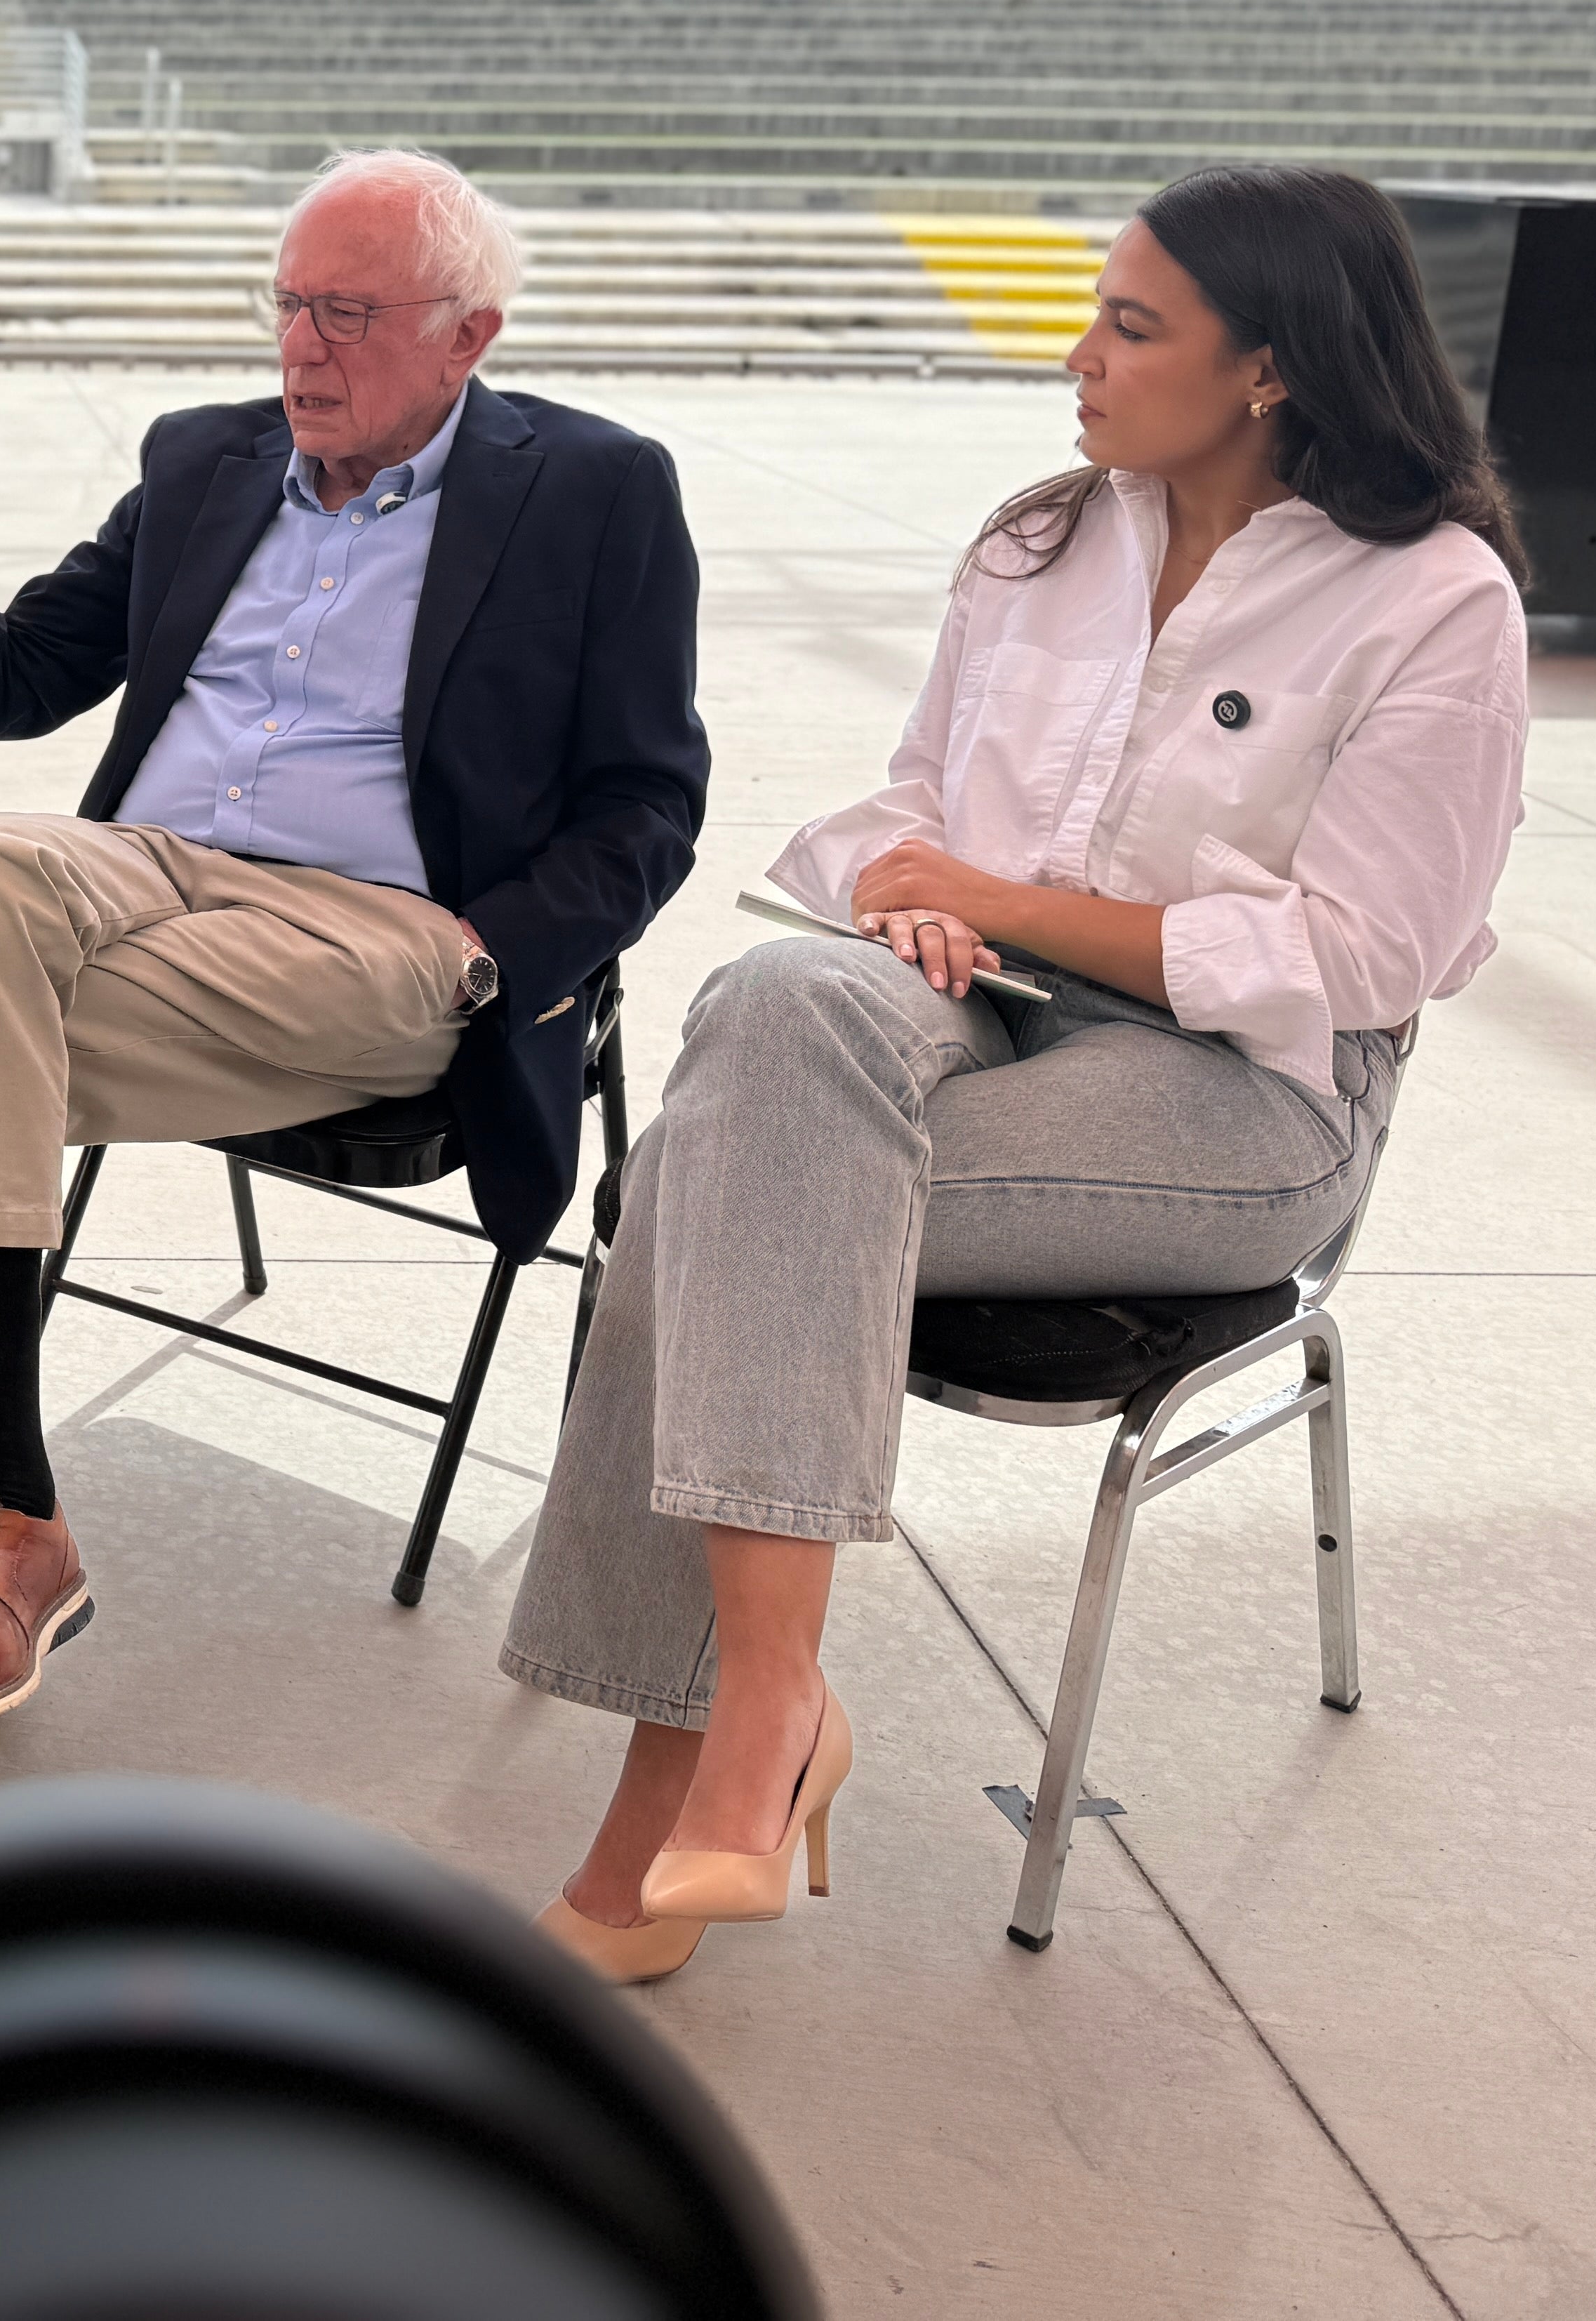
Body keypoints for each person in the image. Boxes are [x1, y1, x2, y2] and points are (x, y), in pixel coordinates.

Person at [505, 161, 1529, 1983]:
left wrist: (1012, 896)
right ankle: (769, 1707)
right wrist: (913, 900)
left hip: (1249, 1092)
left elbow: (1367, 951)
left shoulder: (1432, 600)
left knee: (707, 1182)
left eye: (1133, 324)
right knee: (777, 1007)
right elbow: (921, 800)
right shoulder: (1040, 543)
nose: (1082, 354)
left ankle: (705, 1759)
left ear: (1274, 366)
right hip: (972, 1010)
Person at [0, 148, 710, 1840]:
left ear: (465, 335)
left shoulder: (596, 489)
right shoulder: (204, 461)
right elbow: (9, 693)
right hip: (140, 883)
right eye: (287, 304)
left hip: (393, 928)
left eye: (347, 314)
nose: (302, 348)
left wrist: (496, 958)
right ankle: (14, 1524)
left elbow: (651, 805)